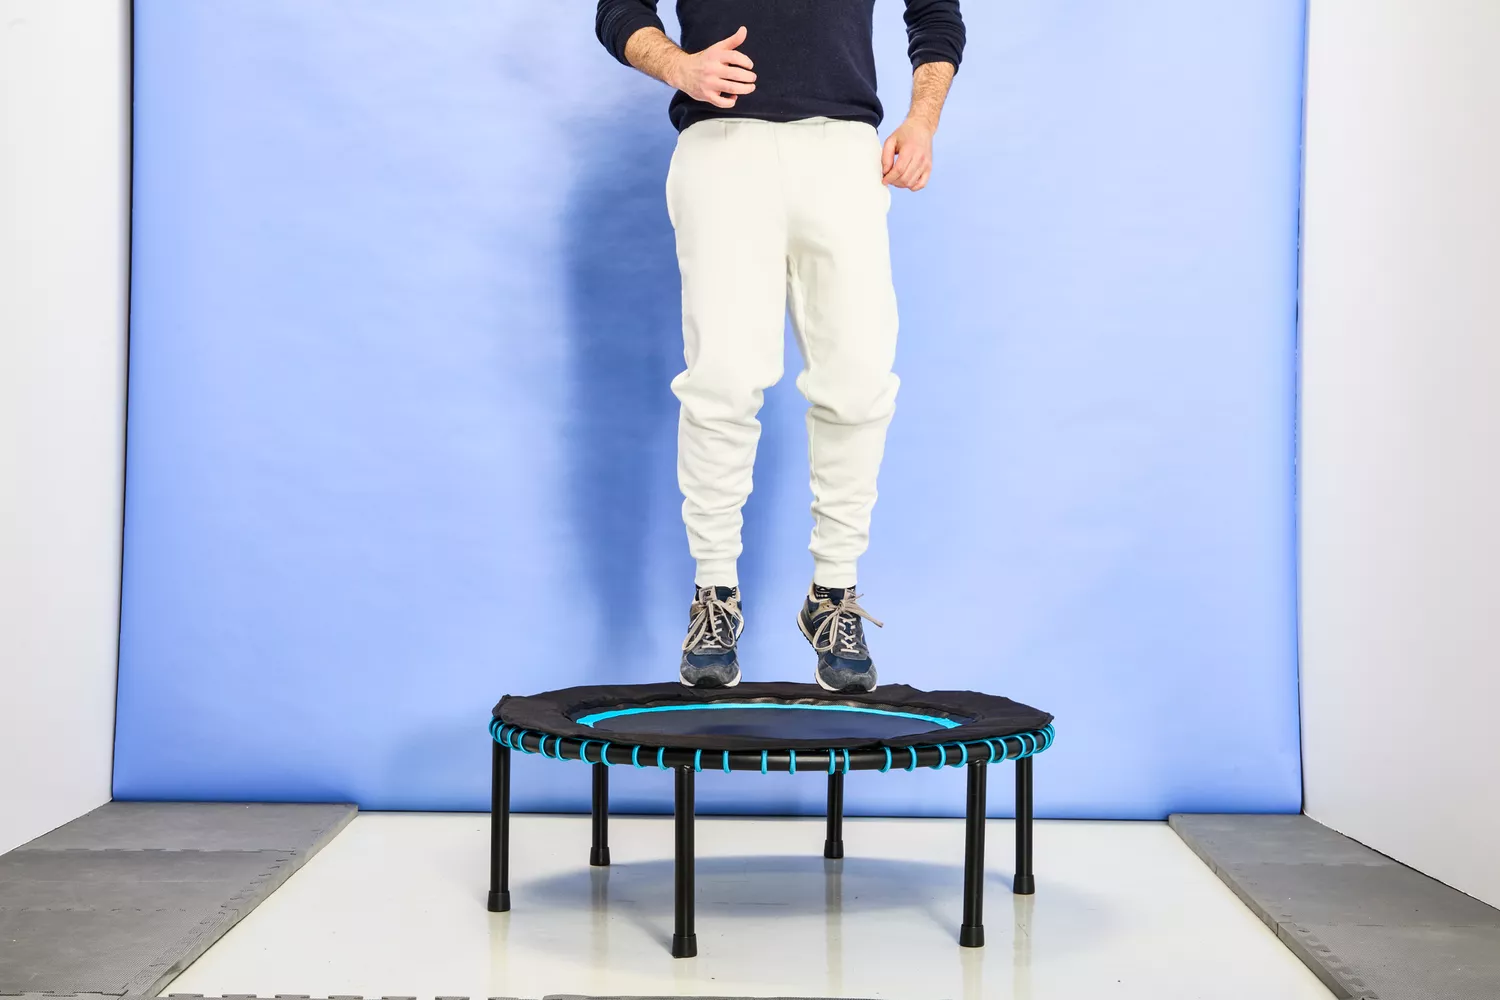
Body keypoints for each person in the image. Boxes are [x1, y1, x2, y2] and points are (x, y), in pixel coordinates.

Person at [594, 0, 965, 693]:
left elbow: (936, 12)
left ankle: (833, 597)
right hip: (722, 144)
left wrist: (922, 121)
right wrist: (679, 65)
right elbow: (618, 10)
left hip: (843, 148)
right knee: (723, 381)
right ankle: (715, 594)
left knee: (858, 381)